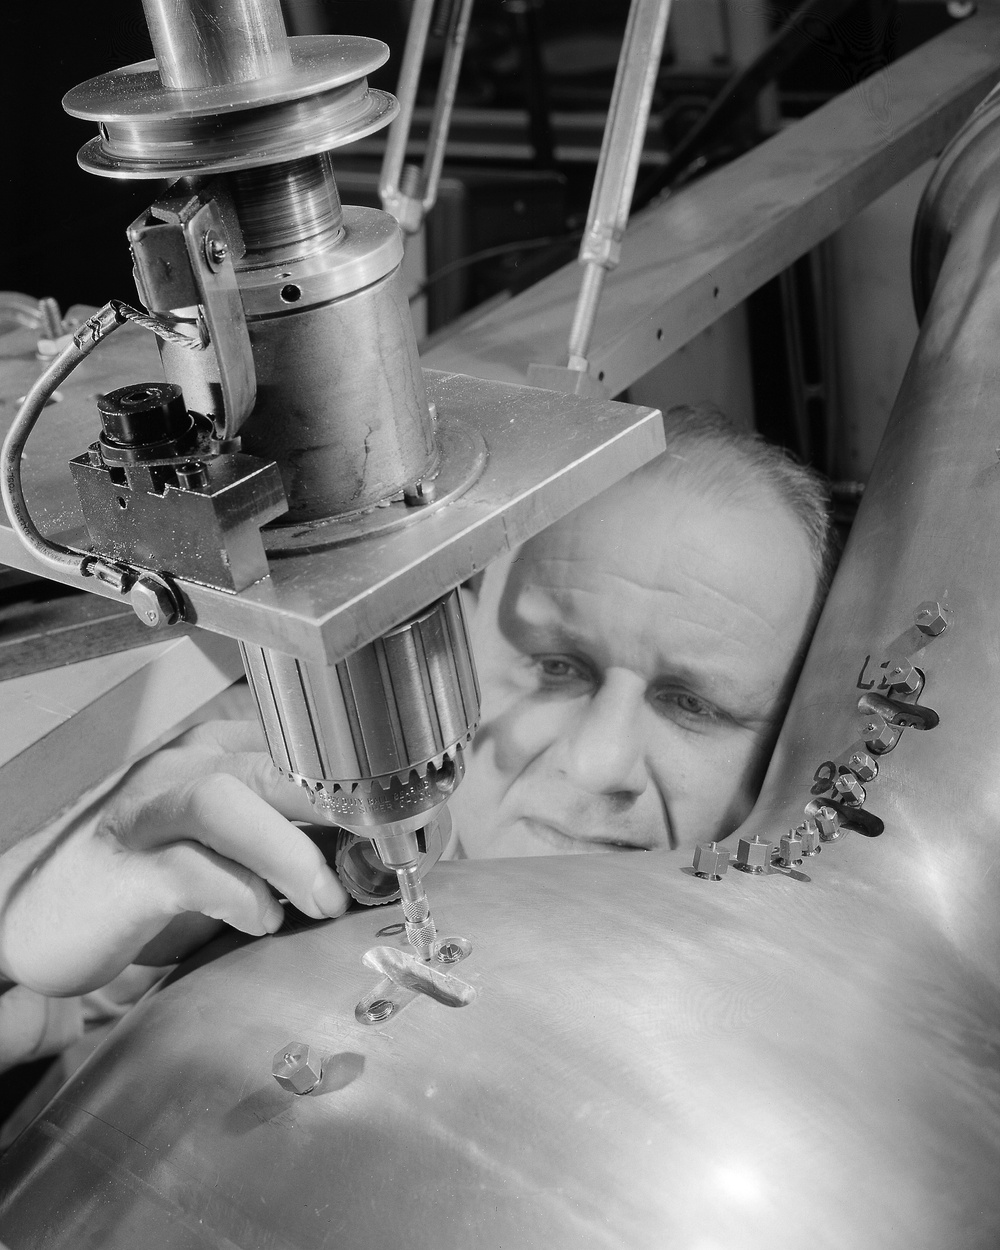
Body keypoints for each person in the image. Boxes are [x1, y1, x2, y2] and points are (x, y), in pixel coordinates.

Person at [0, 405, 832, 1072]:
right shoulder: (287, 826)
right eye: (556, 666)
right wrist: (22, 936)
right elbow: (53, 1014)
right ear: (452, 649)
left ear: (790, 744)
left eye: (693, 704)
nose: (598, 762)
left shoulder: (808, 1025)